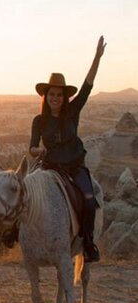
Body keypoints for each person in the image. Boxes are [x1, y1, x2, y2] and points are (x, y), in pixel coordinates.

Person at [29, 36, 106, 263]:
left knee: (89, 199)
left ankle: (88, 242)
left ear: (64, 97)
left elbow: (87, 85)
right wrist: (37, 152)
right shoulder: (39, 120)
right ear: (46, 96)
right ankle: (16, 234)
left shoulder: (73, 111)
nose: (55, 98)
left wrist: (97, 58)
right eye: (51, 94)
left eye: (59, 95)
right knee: (25, 193)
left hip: (74, 167)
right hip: (50, 166)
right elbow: (32, 146)